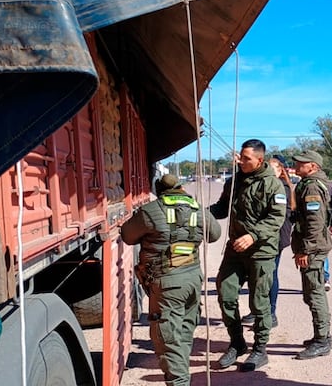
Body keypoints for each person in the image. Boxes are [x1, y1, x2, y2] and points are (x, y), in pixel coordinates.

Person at [120, 174, 221, 386]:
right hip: (192, 280)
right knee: (183, 332)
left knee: (167, 337)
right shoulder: (197, 209)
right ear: (181, 188)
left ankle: (179, 382)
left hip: (167, 284)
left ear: (160, 190)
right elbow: (214, 234)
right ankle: (182, 376)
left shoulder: (151, 210)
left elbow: (128, 236)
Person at [209, 139, 286, 372]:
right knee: (226, 293)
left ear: (259, 160)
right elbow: (221, 209)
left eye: (246, 159)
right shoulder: (234, 182)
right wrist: (198, 213)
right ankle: (237, 343)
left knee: (259, 302)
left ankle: (260, 349)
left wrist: (253, 235)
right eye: (241, 157)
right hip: (235, 250)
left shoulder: (273, 184)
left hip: (261, 251)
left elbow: (276, 218)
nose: (241, 162)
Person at [241, 155, 295, 327]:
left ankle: (270, 312)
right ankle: (257, 310)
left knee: (269, 275)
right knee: (255, 275)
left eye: (273, 168)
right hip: (262, 236)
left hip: (276, 236)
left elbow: (274, 217)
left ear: (280, 171)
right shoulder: (265, 184)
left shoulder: (282, 187)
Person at [291, 150, 332, 359]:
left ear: (313, 167)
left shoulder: (311, 186)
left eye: (302, 162)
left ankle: (322, 340)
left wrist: (305, 250)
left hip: (313, 248)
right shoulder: (309, 183)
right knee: (311, 294)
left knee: (315, 294)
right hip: (314, 246)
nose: (297, 165)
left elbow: (315, 222)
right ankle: (323, 335)